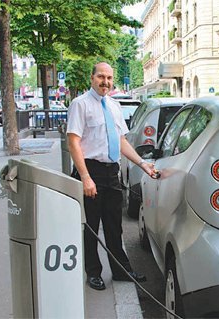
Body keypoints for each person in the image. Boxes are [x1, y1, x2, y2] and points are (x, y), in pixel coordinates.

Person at [67, 62, 158, 290]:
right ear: (92, 78)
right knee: (91, 226)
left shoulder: (114, 106)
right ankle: (93, 272)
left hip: (111, 172)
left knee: (114, 225)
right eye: (101, 77)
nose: (105, 82)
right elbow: (73, 142)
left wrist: (142, 163)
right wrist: (85, 177)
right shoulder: (80, 105)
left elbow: (121, 141)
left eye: (109, 78)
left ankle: (121, 270)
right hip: (90, 171)